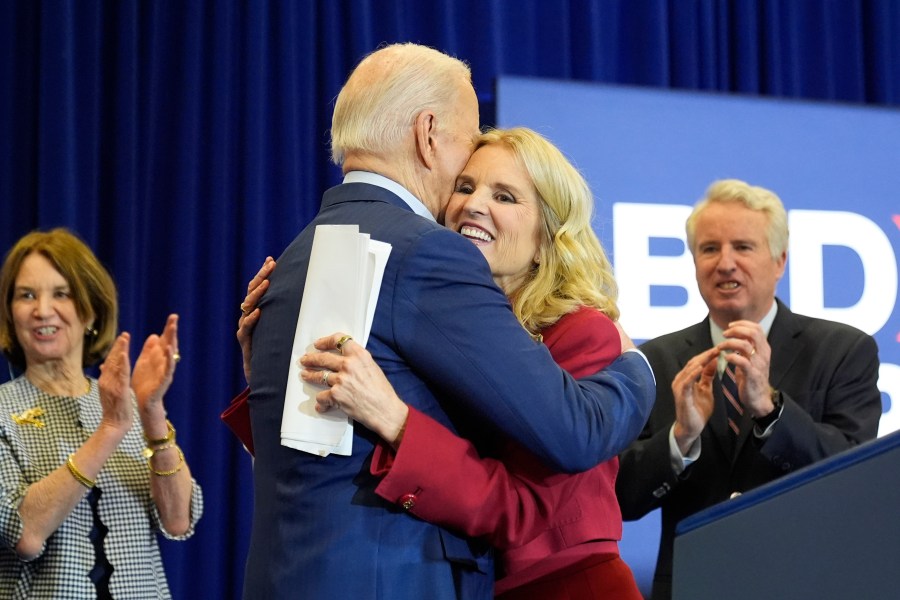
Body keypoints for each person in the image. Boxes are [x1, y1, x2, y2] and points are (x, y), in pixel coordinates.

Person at [238, 43, 655, 599]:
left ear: (547, 234)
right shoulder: (424, 255)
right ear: (429, 133)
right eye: (466, 177)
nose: (472, 199)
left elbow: (538, 492)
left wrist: (397, 421)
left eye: (505, 195)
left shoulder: (302, 254)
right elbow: (325, 440)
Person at [615, 179, 882, 600]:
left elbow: (855, 479)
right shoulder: (659, 360)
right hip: (694, 585)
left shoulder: (843, 351)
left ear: (780, 261)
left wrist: (770, 409)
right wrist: (679, 438)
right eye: (709, 249)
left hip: (807, 585)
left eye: (742, 247)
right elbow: (621, 497)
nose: (724, 263)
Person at [0, 228, 203, 599]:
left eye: (61, 294)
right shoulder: (3, 411)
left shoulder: (123, 402)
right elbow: (24, 533)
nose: (42, 310)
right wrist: (111, 428)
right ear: (11, 314)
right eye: (26, 295)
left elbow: (178, 520)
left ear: (90, 310)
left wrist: (151, 410)